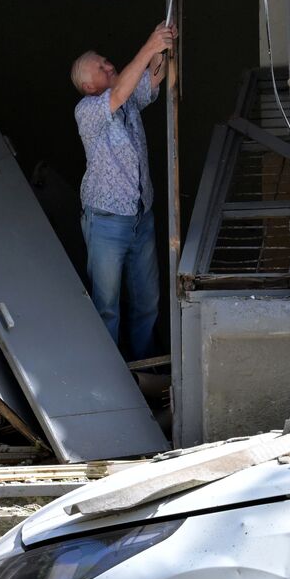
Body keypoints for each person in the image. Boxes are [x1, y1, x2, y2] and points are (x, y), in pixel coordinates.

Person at [70, 22, 175, 360]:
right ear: (87, 85)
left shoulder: (127, 100)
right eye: (100, 66)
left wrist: (164, 45)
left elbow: (156, 78)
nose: (108, 65)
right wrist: (149, 44)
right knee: (107, 307)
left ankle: (145, 370)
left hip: (140, 219)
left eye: (106, 60)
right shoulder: (87, 111)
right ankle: (111, 378)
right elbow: (118, 94)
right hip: (106, 224)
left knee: (147, 302)